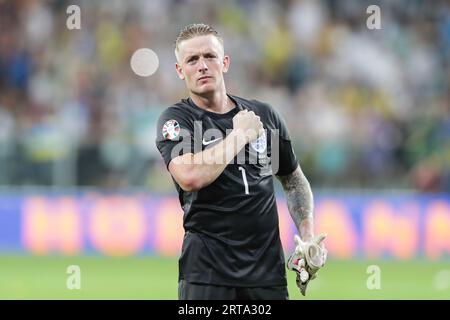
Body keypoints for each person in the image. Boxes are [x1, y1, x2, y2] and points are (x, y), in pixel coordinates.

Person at [155, 23, 326, 300]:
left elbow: (293, 180)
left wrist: (307, 236)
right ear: (180, 71)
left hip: (267, 276)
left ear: (224, 62)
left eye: (209, 56)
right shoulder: (176, 121)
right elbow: (190, 177)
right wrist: (239, 135)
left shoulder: (265, 115)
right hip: (207, 276)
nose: (202, 66)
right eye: (192, 60)